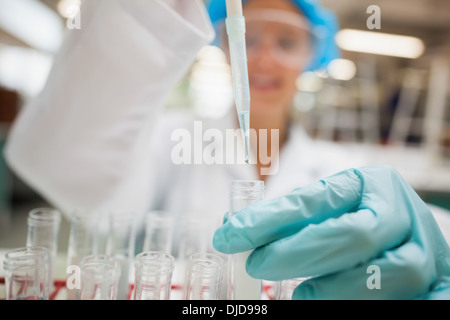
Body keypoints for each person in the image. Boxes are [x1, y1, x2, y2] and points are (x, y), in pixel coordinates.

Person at [3, 0, 450, 299]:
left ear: (313, 56)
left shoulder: (339, 168)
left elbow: (423, 233)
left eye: (287, 42)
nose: (264, 58)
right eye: (249, 39)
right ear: (224, 47)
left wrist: (429, 243)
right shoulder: (171, 140)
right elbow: (63, 165)